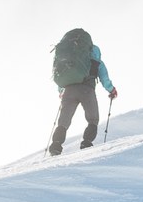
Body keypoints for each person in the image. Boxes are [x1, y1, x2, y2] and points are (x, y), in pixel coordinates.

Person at [48, 27, 116, 156]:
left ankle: (56, 146)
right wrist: (111, 90)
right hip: (86, 90)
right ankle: (86, 144)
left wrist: (61, 90)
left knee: (63, 121)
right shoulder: (94, 55)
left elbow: (61, 73)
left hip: (68, 90)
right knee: (93, 119)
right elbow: (104, 77)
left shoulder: (69, 55)